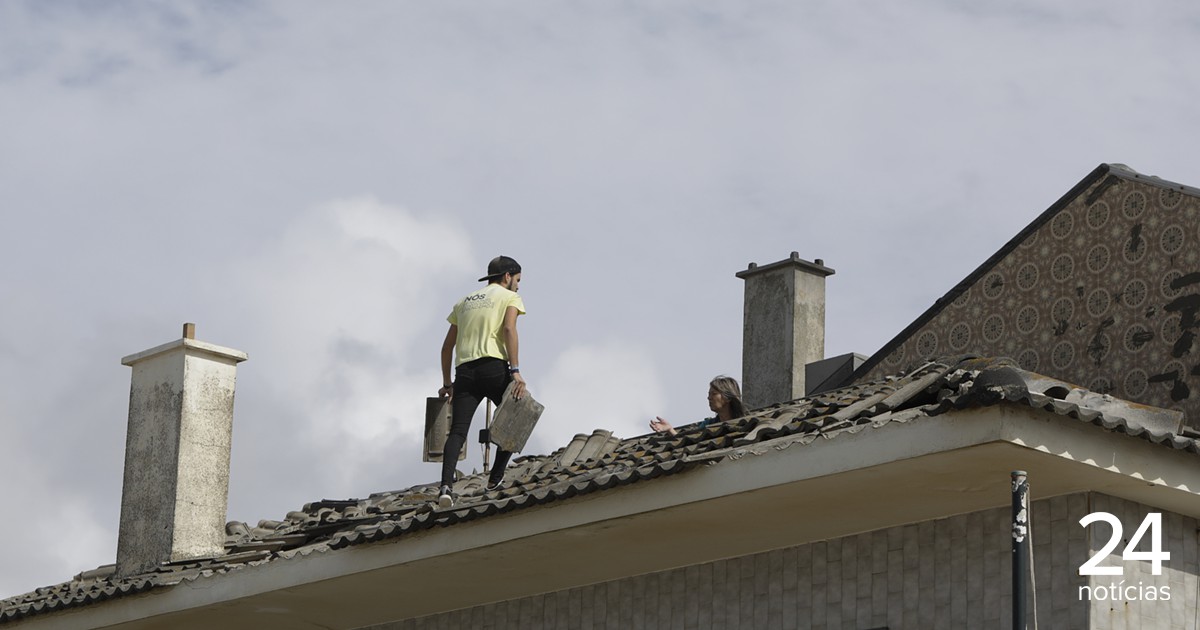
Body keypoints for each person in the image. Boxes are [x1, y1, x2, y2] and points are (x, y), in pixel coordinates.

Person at [436, 255, 527, 508]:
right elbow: (509, 330)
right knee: (517, 415)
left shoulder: (463, 302)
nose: (518, 286)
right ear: (507, 277)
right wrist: (516, 369)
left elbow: (446, 347)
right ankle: (495, 477)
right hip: (494, 367)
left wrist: (447, 383)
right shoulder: (510, 298)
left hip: (464, 372)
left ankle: (445, 487)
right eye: (518, 280)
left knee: (457, 432)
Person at [649, 375, 744, 436]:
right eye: (709, 394)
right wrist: (670, 429)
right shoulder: (707, 426)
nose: (709, 398)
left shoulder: (744, 424)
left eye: (714, 394)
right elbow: (688, 445)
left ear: (728, 398)